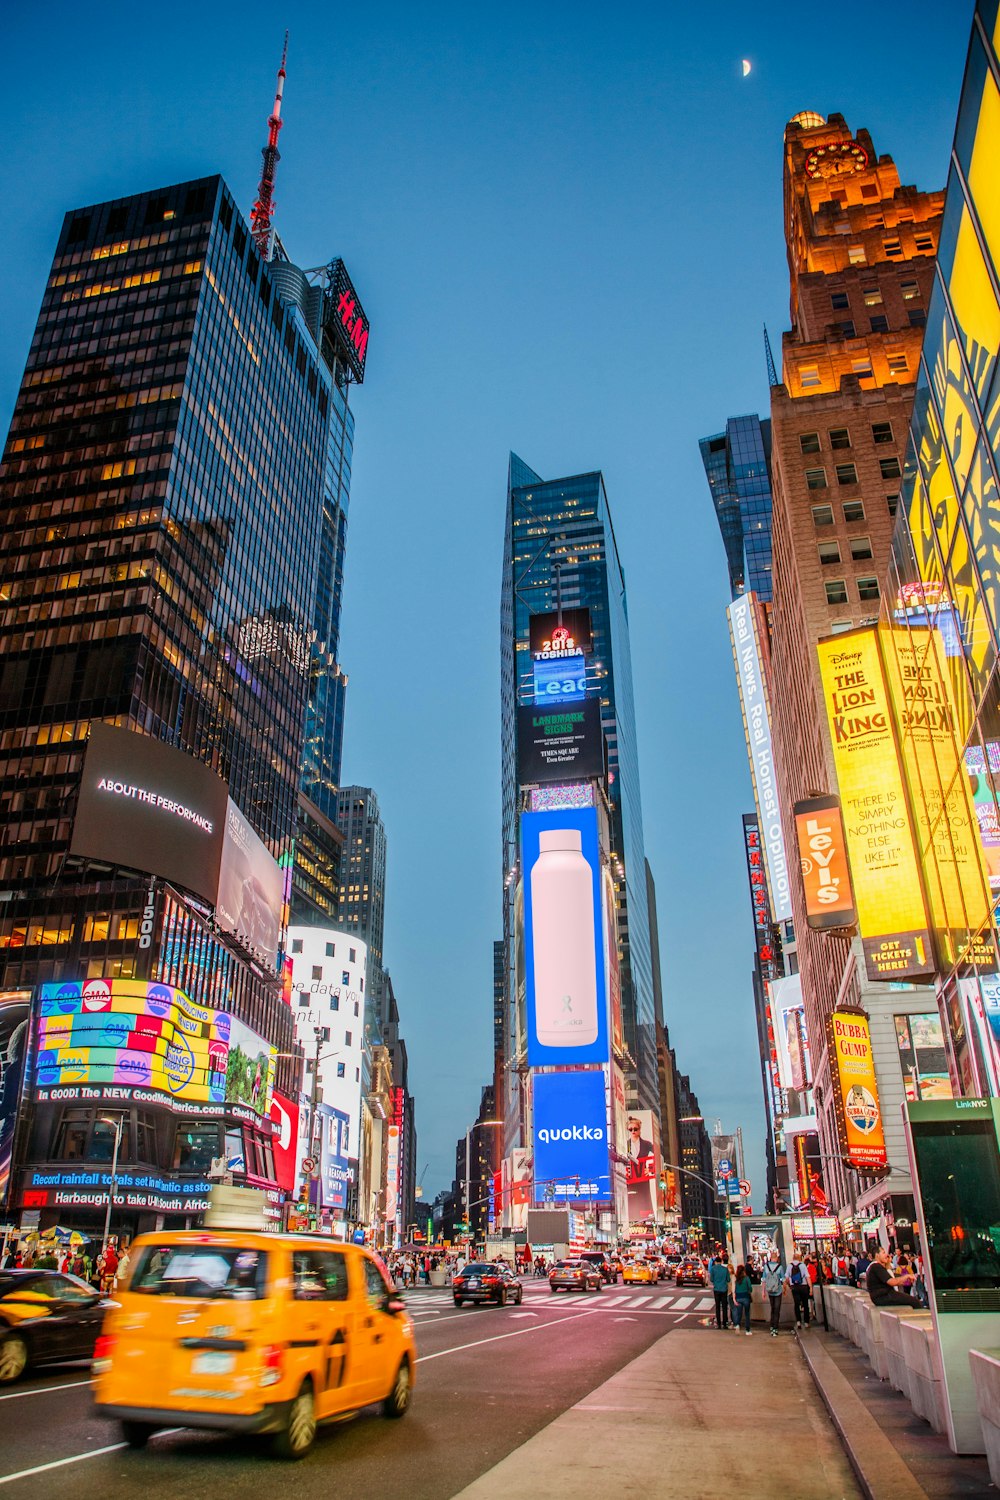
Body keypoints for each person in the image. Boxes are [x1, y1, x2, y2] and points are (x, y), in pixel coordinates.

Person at [761, 1248, 786, 1338]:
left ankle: (772, 1326)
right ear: (776, 1258)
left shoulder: (766, 1267)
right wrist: (784, 1289)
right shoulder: (780, 1267)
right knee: (777, 1309)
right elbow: (783, 1279)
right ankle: (775, 1328)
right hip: (778, 1290)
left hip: (769, 1290)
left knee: (772, 1308)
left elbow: (763, 1280)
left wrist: (763, 1292)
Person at [786, 1250, 812, 1329]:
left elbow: (786, 1278)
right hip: (803, 1286)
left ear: (793, 1258)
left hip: (794, 1287)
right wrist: (810, 1287)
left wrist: (790, 1285)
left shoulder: (789, 1266)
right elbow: (807, 1277)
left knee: (797, 1304)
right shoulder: (803, 1265)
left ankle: (798, 1322)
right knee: (805, 1304)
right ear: (800, 1258)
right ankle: (806, 1322)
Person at [709, 1252, 732, 1330]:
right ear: (721, 1262)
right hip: (724, 1289)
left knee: (718, 1307)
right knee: (725, 1306)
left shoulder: (713, 1269)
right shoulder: (725, 1269)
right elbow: (728, 1279)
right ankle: (725, 1323)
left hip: (716, 1289)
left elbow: (711, 1279)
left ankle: (719, 1323)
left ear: (715, 1262)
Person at [733, 1263, 753, 1335]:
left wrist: (734, 1299)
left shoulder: (736, 1280)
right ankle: (747, 1330)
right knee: (747, 1314)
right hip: (746, 1297)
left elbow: (734, 1290)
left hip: (738, 1297)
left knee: (739, 1314)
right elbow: (750, 1288)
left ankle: (737, 1324)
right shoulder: (747, 1278)